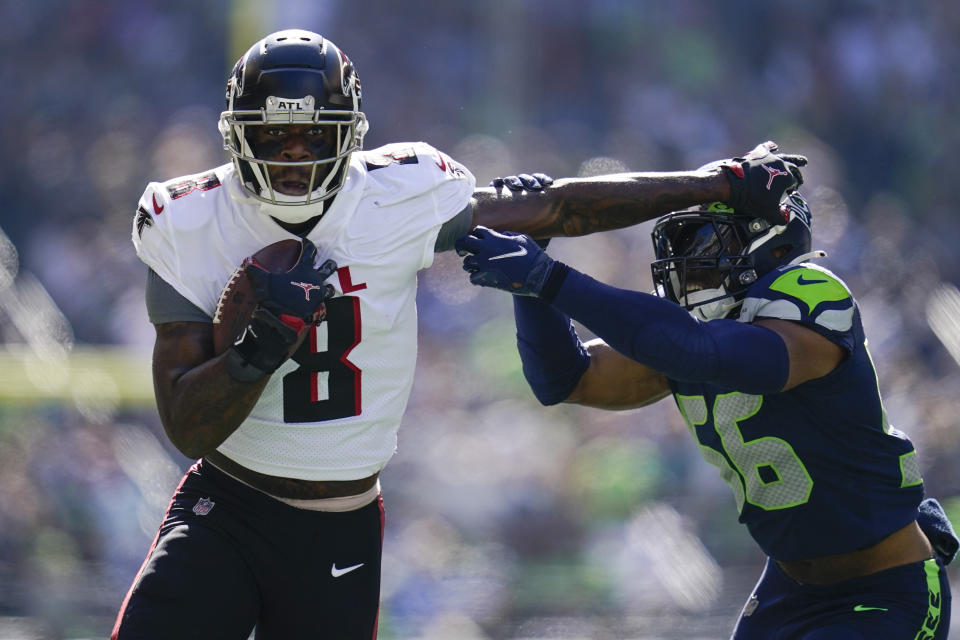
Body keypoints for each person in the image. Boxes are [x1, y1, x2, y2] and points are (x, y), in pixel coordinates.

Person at [113, 28, 808, 640]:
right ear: (237, 135)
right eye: (273, 135)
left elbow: (561, 206)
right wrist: (257, 351)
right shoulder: (185, 219)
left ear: (348, 133)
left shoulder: (401, 194)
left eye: (311, 135)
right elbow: (186, 425)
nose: (293, 155)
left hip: (338, 520)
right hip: (226, 504)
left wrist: (712, 185)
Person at [454, 179, 958, 638]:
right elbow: (563, 378)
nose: (685, 260)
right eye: (678, 243)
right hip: (790, 588)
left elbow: (701, 352)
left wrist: (550, 278)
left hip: (884, 590)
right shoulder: (690, 333)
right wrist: (532, 278)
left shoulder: (808, 295)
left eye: (702, 242)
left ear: (769, 244)